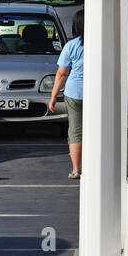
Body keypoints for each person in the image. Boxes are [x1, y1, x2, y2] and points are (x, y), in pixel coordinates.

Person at [47, 9, 84, 180]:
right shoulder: (101, 43)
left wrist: (53, 96)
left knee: (75, 131)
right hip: (97, 94)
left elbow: (61, 73)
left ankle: (76, 169)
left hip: (74, 92)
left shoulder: (72, 45)